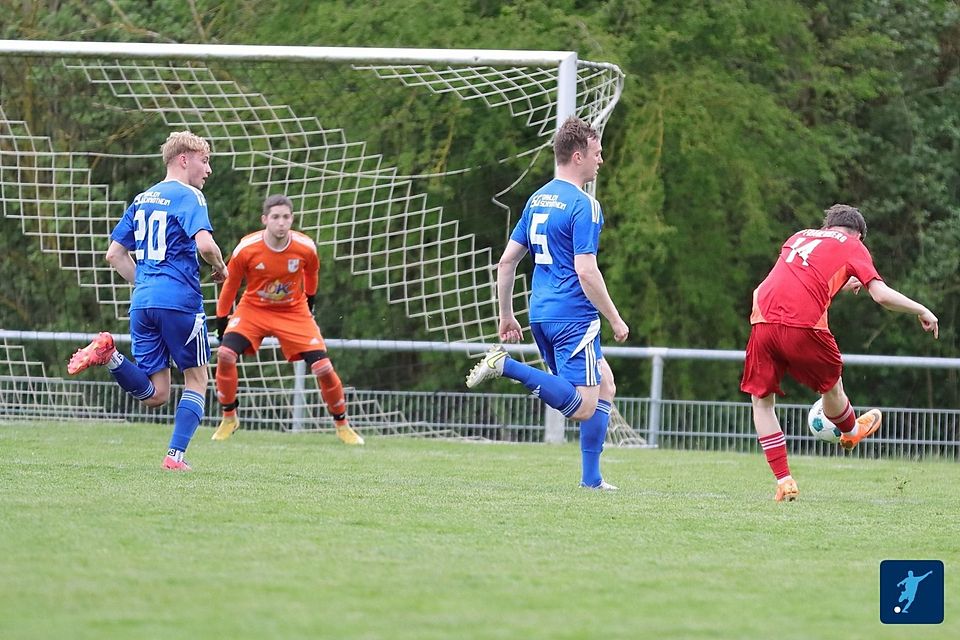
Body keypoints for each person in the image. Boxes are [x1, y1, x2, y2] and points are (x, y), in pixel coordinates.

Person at [466, 116, 629, 490]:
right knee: (584, 406)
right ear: (577, 156)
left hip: (540, 314)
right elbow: (586, 271)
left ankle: (592, 480)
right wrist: (615, 319)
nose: (600, 160)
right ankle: (506, 365)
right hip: (574, 315)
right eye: (596, 153)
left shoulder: (538, 199)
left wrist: (506, 315)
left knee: (605, 384)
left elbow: (506, 262)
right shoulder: (584, 206)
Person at [740, 204, 939, 501]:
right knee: (832, 387)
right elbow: (881, 295)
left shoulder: (797, 238)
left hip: (762, 318)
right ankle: (851, 430)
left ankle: (784, 480)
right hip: (803, 324)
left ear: (826, 226)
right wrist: (921, 309)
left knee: (761, 402)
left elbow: (800, 279)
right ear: (858, 234)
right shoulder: (853, 245)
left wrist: (844, 282)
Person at [67, 130, 229, 471]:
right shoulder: (190, 196)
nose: (208, 169)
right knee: (197, 380)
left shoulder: (142, 199)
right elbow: (206, 245)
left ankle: (109, 356)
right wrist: (222, 268)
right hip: (181, 303)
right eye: (205, 160)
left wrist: (149, 285)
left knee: (156, 395)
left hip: (142, 303)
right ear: (184, 159)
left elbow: (114, 254)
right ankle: (175, 457)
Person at [211, 194, 363, 445]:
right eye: (275, 217)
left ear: (292, 219)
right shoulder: (246, 249)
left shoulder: (305, 247)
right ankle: (229, 418)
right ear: (265, 220)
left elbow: (312, 275)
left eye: (286, 217)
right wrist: (221, 320)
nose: (281, 222)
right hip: (254, 309)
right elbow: (230, 286)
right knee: (226, 355)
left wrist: (310, 304)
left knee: (323, 368)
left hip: (293, 310)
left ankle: (342, 425)